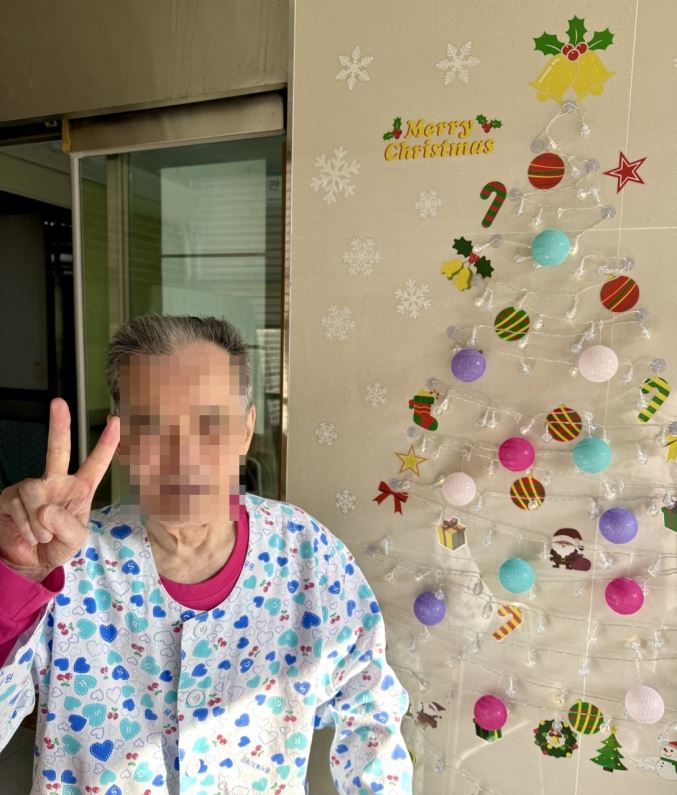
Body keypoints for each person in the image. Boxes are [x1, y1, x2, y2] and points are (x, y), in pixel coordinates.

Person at [0, 314, 413, 794]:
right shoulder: (63, 562)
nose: (184, 456)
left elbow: (371, 708)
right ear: (122, 441)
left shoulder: (306, 552)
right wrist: (15, 575)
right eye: (152, 426)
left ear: (245, 431)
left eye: (210, 423)